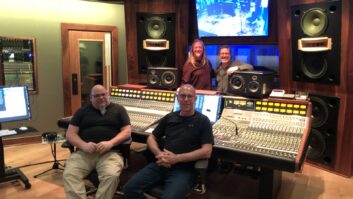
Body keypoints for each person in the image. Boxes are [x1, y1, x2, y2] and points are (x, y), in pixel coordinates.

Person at [123, 84, 214, 199]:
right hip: (161, 163)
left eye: (190, 96)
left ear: (195, 99)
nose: (186, 99)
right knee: (129, 189)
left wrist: (176, 158)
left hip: (184, 169)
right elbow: (151, 138)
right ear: (177, 98)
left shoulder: (203, 121)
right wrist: (159, 154)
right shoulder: (170, 117)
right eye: (182, 96)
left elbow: (207, 151)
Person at [63, 84, 131, 199]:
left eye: (103, 94)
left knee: (111, 176)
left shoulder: (119, 110)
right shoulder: (81, 112)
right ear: (91, 98)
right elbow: (70, 134)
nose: (101, 97)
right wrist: (83, 145)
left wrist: (111, 143)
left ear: (108, 95)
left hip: (110, 153)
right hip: (84, 153)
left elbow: (127, 131)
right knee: (70, 175)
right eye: (96, 96)